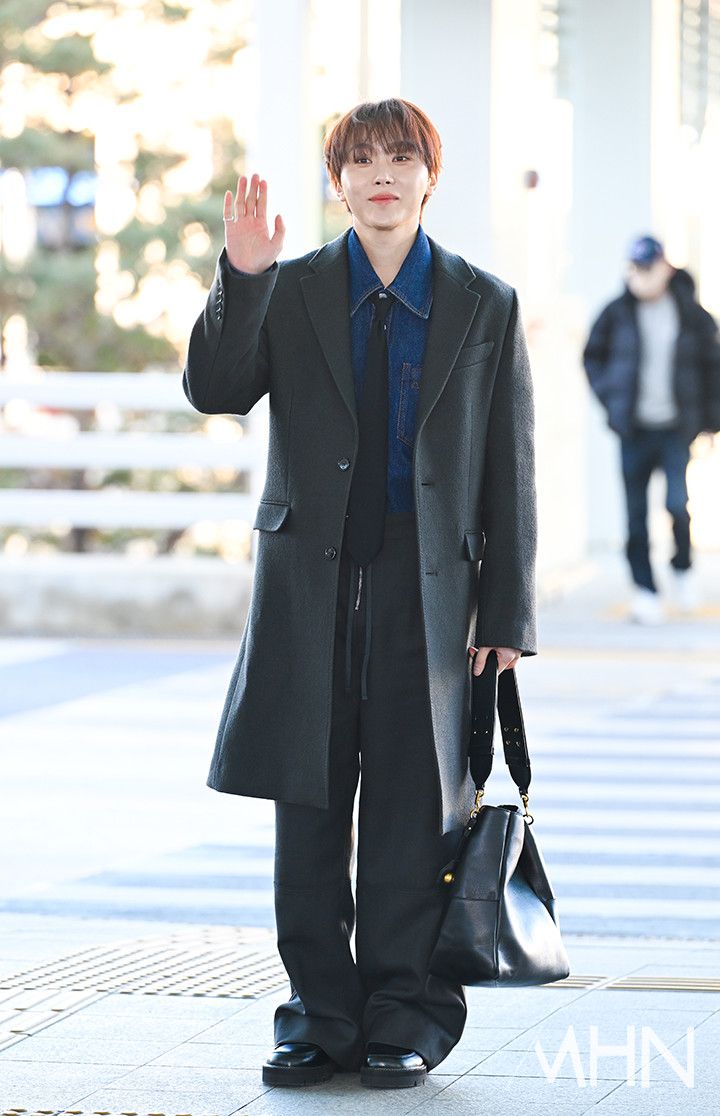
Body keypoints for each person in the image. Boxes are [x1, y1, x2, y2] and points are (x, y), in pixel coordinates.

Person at [182, 97, 537, 1090]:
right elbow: (216, 388)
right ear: (337, 181)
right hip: (311, 584)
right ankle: (317, 1017)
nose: (383, 174)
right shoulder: (289, 286)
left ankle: (406, 1014)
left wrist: (507, 611)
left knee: (414, 813)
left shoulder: (484, 301)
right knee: (308, 807)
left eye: (401, 157)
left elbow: (510, 463)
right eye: (362, 159)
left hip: (432, 591)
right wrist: (242, 276)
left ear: (430, 175)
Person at [583, 234, 720, 625]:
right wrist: (612, 402)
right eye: (634, 269)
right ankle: (646, 590)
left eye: (648, 268)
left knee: (678, 504)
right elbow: (592, 358)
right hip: (634, 430)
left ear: (666, 268)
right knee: (635, 515)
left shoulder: (693, 315)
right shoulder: (615, 313)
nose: (640, 276)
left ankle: (682, 567)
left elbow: (713, 369)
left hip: (677, 428)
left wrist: (712, 423)